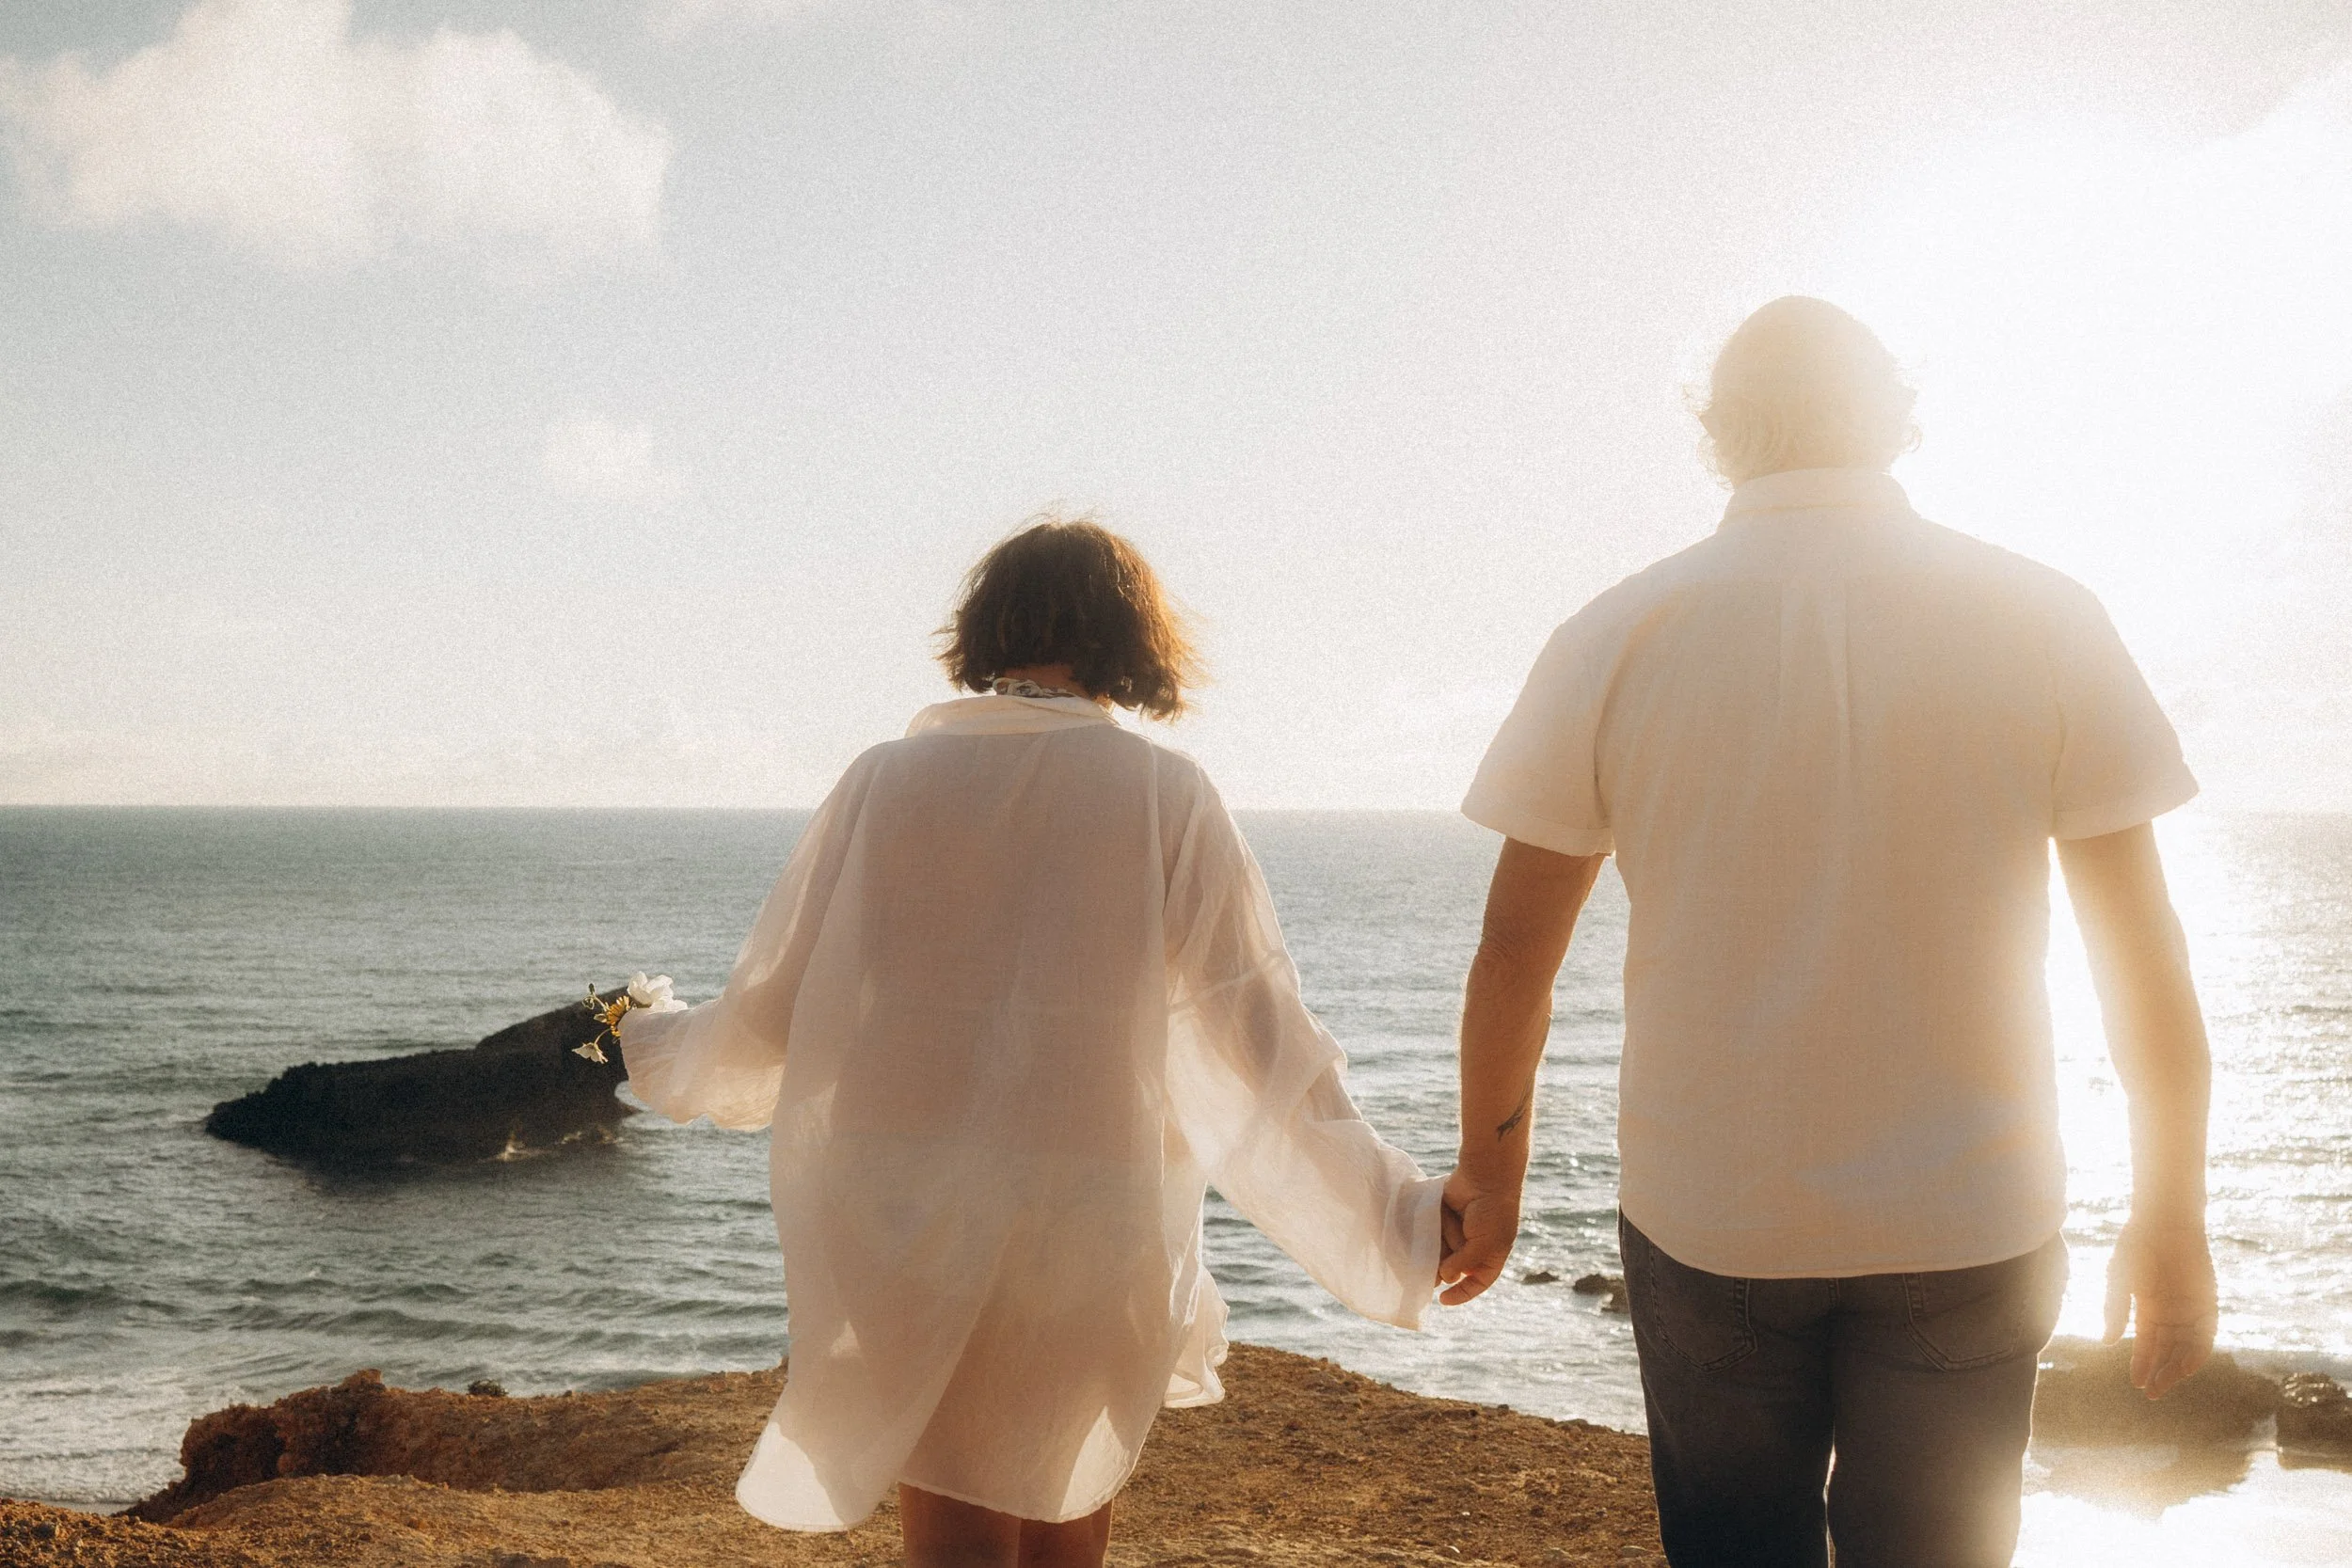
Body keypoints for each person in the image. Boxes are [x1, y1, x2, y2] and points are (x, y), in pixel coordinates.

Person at [1435, 297, 2217, 1567]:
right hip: (1971, 1212)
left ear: (1720, 435)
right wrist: (2171, 1216)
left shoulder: (1617, 631)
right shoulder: (2043, 612)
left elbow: (1517, 950)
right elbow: (2144, 957)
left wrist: (1493, 1170)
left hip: (1713, 1212)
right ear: (1895, 417)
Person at [619, 518, 1442, 1568]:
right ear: (1129, 636)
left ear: (987, 627)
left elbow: (769, 1011)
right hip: (1089, 1196)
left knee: (951, 1512)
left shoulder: (886, 780)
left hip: (903, 1187)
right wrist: (1399, 1214)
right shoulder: (1164, 793)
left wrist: (650, 1039)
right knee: (1064, 1497)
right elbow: (1261, 1040)